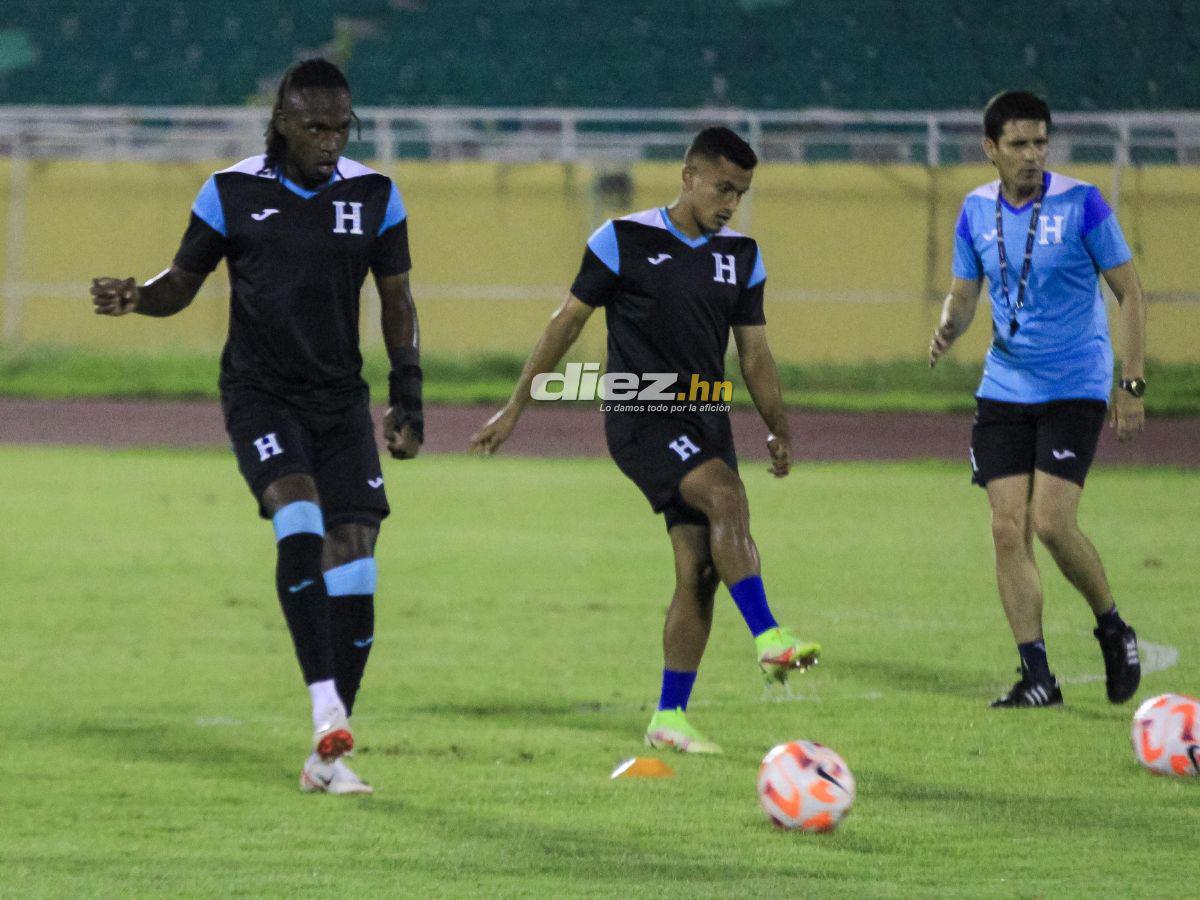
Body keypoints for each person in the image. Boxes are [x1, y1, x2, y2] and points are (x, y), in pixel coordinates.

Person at [90, 59, 423, 791]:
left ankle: (326, 757)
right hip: (261, 394)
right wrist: (134, 297)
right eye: (315, 128)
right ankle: (324, 704)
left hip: (340, 404)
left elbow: (396, 300)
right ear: (282, 122)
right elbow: (180, 285)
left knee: (358, 565)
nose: (331, 141)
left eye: (342, 127)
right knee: (298, 519)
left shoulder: (374, 195)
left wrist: (408, 394)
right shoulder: (229, 191)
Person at [470, 126, 820, 753]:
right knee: (725, 498)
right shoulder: (621, 239)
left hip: (706, 416)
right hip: (641, 413)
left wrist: (779, 425)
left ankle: (669, 716)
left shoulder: (741, 256)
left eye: (739, 194)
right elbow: (564, 325)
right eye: (721, 189)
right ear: (687, 176)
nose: (729, 204)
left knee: (702, 570)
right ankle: (770, 638)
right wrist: (516, 406)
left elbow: (757, 354)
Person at [929, 90, 1145, 708]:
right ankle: (1037, 676)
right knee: (1005, 529)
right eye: (1019, 144)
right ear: (990, 149)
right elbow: (965, 294)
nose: (1032, 155)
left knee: (1050, 521)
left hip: (1074, 383)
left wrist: (1131, 384)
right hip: (1004, 386)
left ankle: (1111, 626)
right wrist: (948, 326)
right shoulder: (973, 210)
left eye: (1040, 142)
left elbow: (1131, 293)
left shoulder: (1083, 203)